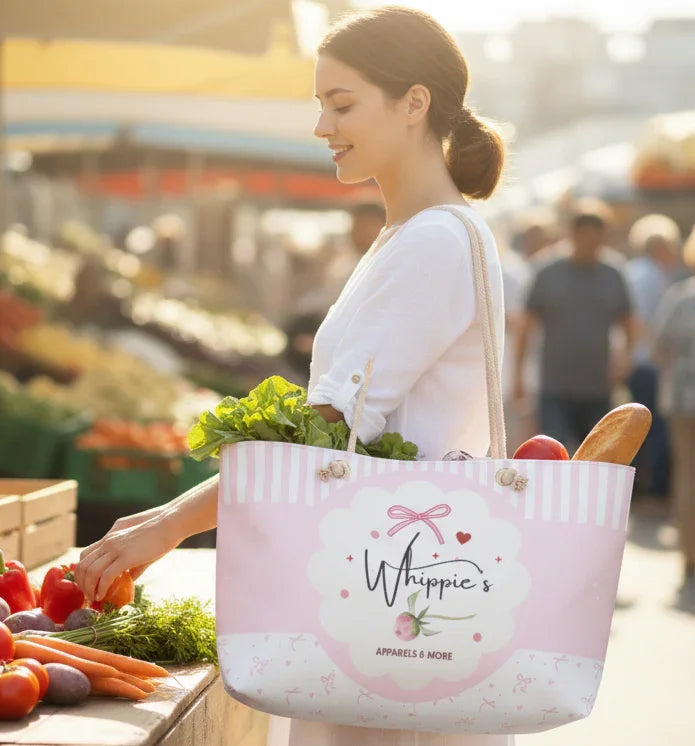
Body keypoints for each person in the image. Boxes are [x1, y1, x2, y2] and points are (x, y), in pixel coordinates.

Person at [75, 7, 510, 745]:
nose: (321, 126)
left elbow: (324, 432)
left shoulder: (434, 240)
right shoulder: (413, 235)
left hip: (396, 598)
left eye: (341, 104)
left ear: (414, 103)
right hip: (393, 587)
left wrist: (172, 525)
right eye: (319, 104)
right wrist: (161, 521)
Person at [513, 201, 635, 454]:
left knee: (595, 460)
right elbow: (526, 326)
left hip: (598, 387)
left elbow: (629, 322)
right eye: (586, 238)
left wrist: (625, 358)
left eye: (597, 239)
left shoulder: (613, 273)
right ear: (573, 234)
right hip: (555, 386)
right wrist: (519, 376)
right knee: (552, 455)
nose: (592, 245)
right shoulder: (547, 272)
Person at [624, 214, 682, 500]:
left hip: (636, 361)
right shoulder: (653, 276)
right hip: (649, 363)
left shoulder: (633, 271)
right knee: (653, 429)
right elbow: (648, 324)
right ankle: (652, 491)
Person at [652, 271, 695, 592]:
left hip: (683, 399)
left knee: (688, 476)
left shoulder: (681, 297)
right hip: (683, 401)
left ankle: (690, 553)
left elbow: (658, 349)